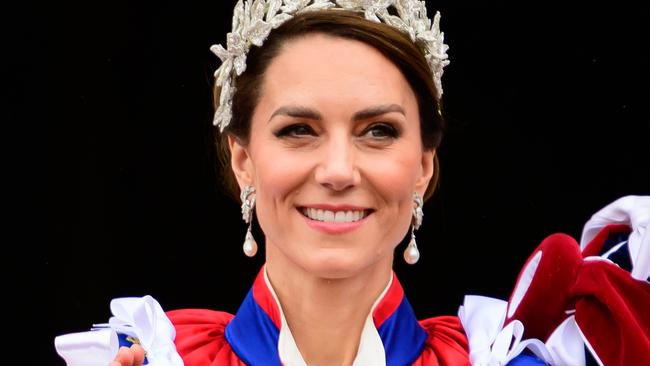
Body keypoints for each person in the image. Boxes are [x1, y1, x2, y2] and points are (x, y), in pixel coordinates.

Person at [55, 1, 650, 365]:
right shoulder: (147, 358)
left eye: (378, 132)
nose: (339, 171)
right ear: (242, 160)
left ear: (423, 165)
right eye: (298, 130)